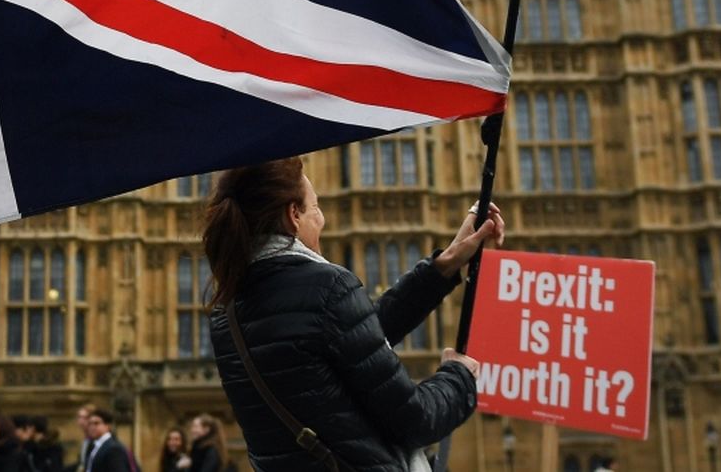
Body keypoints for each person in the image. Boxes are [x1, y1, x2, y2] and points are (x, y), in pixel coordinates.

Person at [203, 158, 504, 472]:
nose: (323, 220)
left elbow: (351, 341)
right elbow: (415, 421)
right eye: (316, 207)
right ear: (293, 215)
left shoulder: (226, 314)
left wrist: (446, 263)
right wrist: (458, 377)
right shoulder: (327, 287)